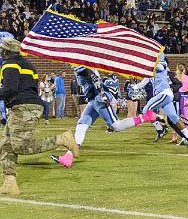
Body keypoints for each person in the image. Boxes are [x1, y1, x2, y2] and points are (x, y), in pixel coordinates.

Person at [0, 38, 78, 196]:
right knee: (6, 145)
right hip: (28, 105)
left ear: (6, 51)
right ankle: (10, 183)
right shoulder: (28, 64)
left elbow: (10, 89)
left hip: (22, 106)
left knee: (20, 146)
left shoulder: (10, 64)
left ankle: (61, 139)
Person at [51, 66, 159, 168]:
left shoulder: (82, 66)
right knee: (81, 125)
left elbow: (93, 77)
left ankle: (147, 117)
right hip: (93, 100)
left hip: (98, 99)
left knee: (116, 125)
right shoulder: (82, 65)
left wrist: (102, 95)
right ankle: (68, 156)